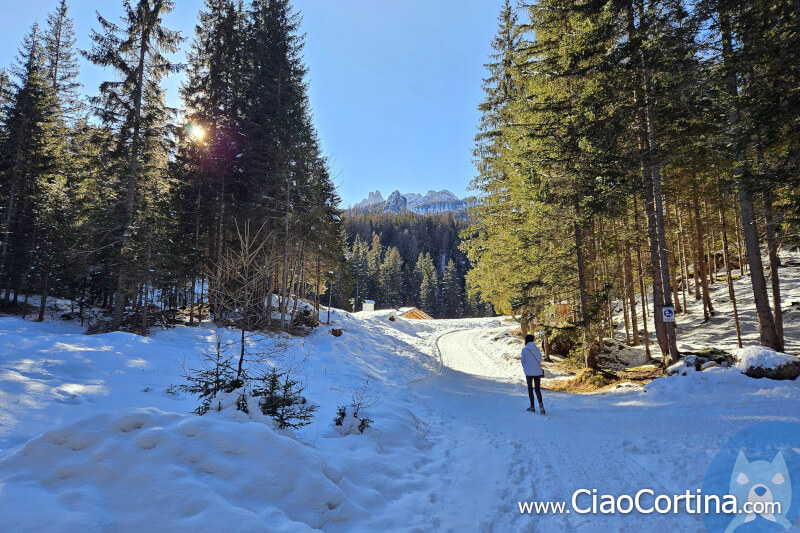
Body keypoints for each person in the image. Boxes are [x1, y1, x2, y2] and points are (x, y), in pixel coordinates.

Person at [521, 334, 546, 415]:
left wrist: (526, 368)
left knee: (530, 389)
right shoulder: (537, 349)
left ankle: (532, 406)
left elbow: (523, 361)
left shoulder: (524, 350)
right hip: (537, 372)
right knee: (537, 389)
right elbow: (539, 360)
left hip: (528, 372)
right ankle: (541, 406)